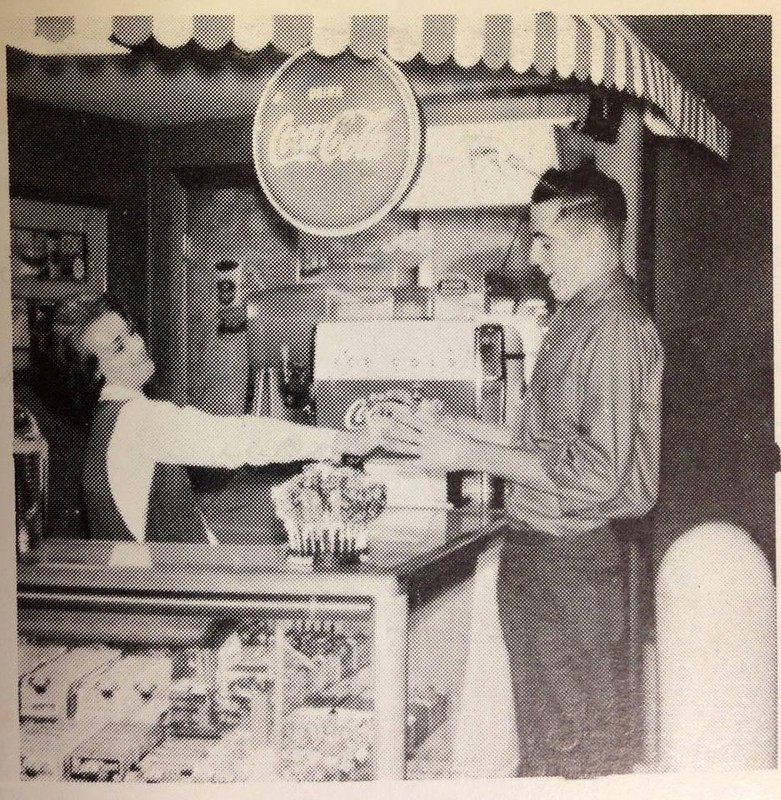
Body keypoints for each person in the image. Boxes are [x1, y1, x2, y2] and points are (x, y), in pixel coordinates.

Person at [416, 164, 663, 777]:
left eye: (546, 242)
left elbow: (596, 475)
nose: (534, 257)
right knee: (547, 749)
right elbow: (540, 445)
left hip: (573, 568)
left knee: (577, 760)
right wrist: (449, 427)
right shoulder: (575, 319)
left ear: (594, 241)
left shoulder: (615, 331)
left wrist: (470, 456)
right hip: (545, 563)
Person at [51, 293, 414, 544]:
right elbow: (240, 438)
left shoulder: (108, 423)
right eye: (119, 346)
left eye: (130, 332)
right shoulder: (137, 420)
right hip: (165, 616)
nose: (138, 344)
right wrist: (344, 440)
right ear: (94, 373)